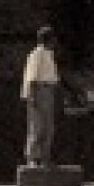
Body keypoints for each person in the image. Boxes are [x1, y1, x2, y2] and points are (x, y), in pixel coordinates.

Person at [20, 27, 64, 167]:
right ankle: (33, 158)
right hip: (39, 90)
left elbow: (54, 78)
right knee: (37, 126)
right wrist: (32, 97)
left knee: (48, 127)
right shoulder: (37, 54)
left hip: (48, 90)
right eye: (53, 39)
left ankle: (45, 158)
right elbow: (32, 76)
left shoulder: (49, 54)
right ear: (48, 39)